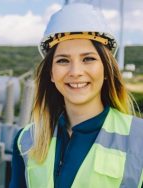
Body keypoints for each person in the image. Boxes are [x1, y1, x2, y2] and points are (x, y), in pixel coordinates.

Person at [9, 3, 143, 188]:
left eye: (88, 59)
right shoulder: (26, 141)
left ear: (106, 69)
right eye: (63, 60)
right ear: (51, 73)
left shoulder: (139, 139)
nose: (75, 71)